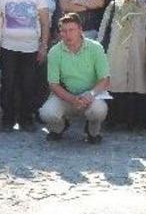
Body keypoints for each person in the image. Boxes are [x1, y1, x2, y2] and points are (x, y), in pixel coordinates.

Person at [0, 0, 50, 132]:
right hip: (8, 48)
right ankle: (7, 119)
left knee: (28, 84)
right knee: (8, 84)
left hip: (30, 48)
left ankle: (26, 119)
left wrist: (43, 46)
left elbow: (45, 23)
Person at [39, 13, 110, 144]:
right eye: (63, 31)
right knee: (47, 113)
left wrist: (91, 94)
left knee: (98, 111)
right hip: (66, 96)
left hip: (91, 95)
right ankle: (59, 128)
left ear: (80, 30)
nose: (67, 34)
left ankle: (93, 132)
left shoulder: (96, 48)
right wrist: (72, 99)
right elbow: (53, 84)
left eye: (71, 30)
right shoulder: (54, 51)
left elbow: (105, 79)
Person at [99, 0, 146, 129]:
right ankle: (113, 120)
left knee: (136, 84)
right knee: (115, 84)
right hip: (116, 50)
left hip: (136, 50)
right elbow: (103, 28)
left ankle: (134, 122)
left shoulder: (143, 7)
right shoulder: (114, 6)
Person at [30, 0, 62, 114]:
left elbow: (57, 11)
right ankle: (23, 112)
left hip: (46, 35)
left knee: (43, 76)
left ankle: (40, 111)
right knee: (25, 74)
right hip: (25, 35)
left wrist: (56, 31)